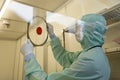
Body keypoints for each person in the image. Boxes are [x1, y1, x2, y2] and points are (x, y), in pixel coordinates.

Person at [21, 14, 110, 80]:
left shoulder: (91, 60)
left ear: (90, 32)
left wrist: (29, 56)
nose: (76, 32)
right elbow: (64, 57)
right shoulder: (92, 53)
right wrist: (52, 35)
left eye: (79, 28)